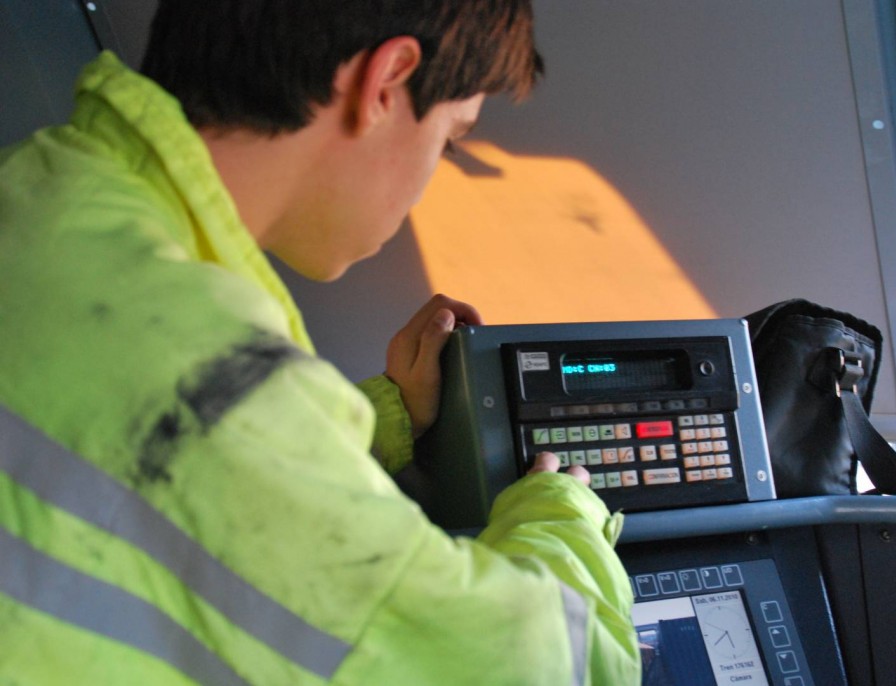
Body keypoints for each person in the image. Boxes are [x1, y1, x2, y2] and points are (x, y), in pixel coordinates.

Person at [0, 1, 641, 684]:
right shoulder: (212, 370)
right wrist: (562, 513)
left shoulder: (44, 194)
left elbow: (156, 477)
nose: (432, 175)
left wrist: (390, 411)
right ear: (387, 81)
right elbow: (534, 667)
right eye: (450, 139)